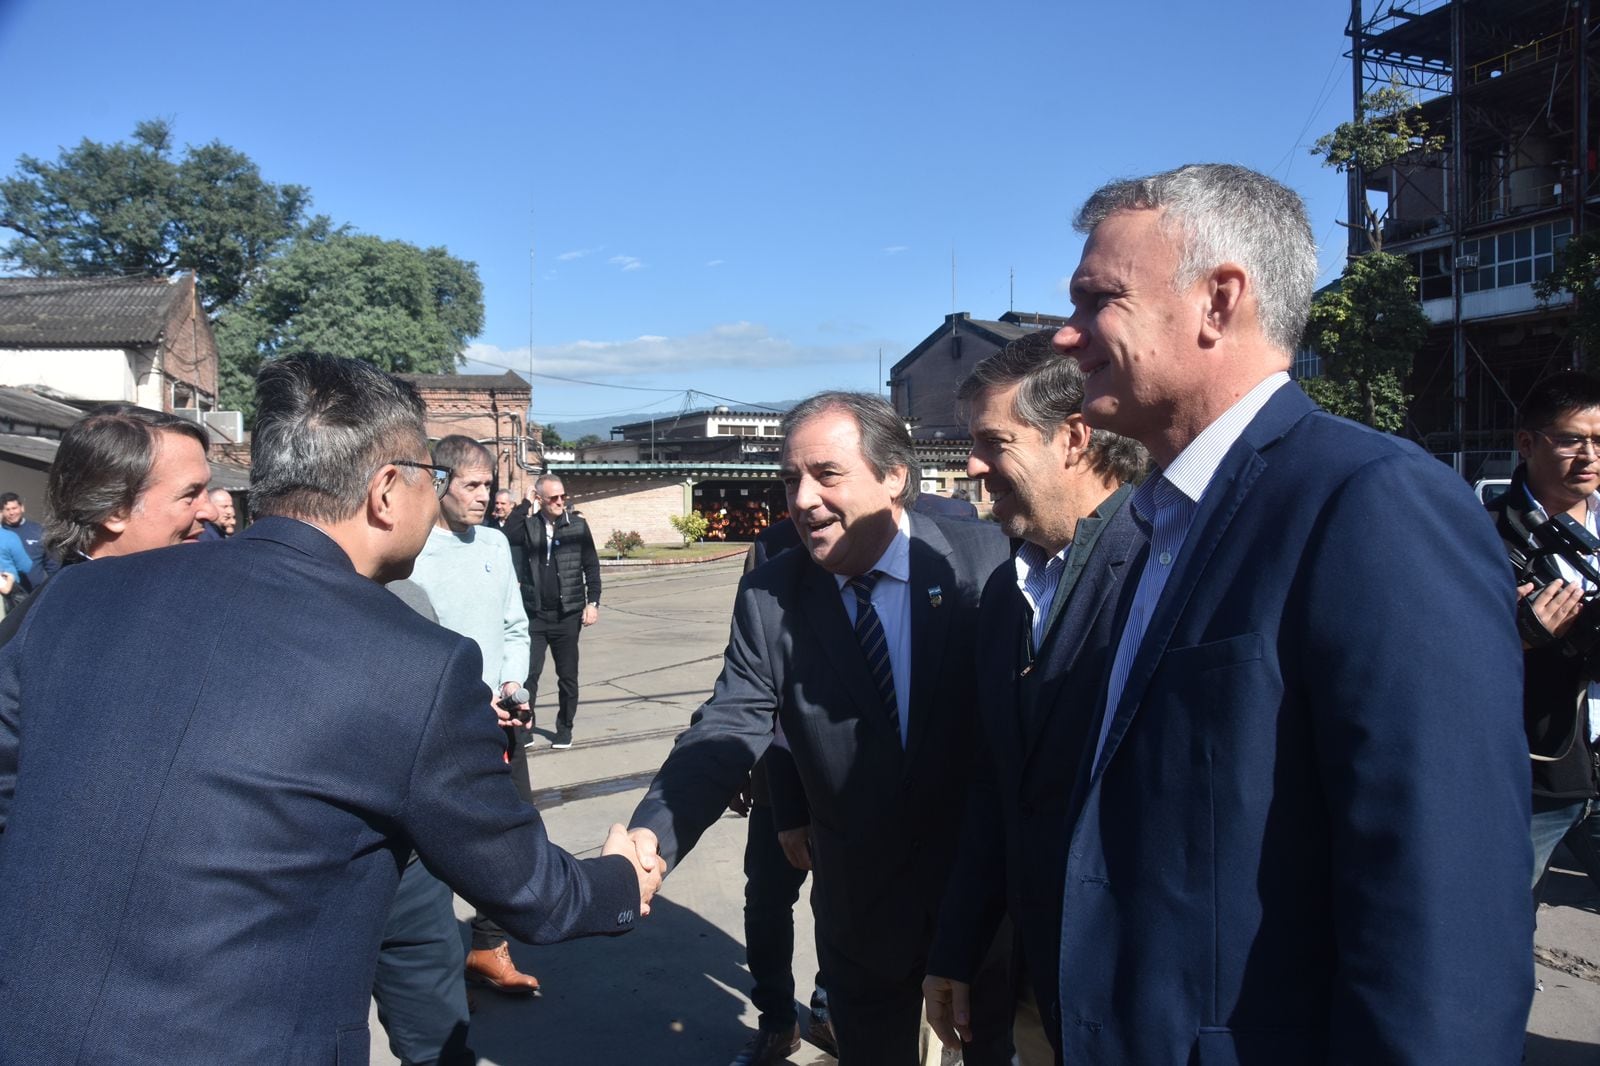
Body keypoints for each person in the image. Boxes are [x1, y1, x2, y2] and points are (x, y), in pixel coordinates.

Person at [0, 354, 658, 1063]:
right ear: (384, 492)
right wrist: (621, 879)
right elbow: (530, 889)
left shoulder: (76, 598)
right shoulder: (417, 665)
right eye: (429, 480)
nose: (434, 499)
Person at [1043, 163, 1531, 1063]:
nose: (1067, 336)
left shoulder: (1371, 503)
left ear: (1218, 300)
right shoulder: (1157, 521)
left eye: (1098, 298)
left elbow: (1442, 906)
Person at [628, 391, 1010, 1065]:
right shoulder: (771, 594)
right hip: (861, 917)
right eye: (789, 478)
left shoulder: (985, 560)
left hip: (983, 904)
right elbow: (727, 723)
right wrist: (648, 838)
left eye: (826, 475)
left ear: (894, 476)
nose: (801, 500)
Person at [923, 332, 1147, 1065]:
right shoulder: (1004, 594)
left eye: (993, 441)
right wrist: (955, 948)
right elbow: (998, 786)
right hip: (1031, 987)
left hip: (1136, 1000)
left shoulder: (1164, 574)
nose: (972, 465)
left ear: (1075, 438)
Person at [408, 435, 544, 1001]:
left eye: (489, 485)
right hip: (438, 725)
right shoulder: (411, 552)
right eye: (472, 485)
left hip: (500, 720)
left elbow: (515, 625)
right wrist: (464, 698)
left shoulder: (492, 544)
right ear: (439, 483)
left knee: (514, 834)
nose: (485, 496)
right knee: (434, 845)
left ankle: (489, 944)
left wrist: (514, 681)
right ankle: (434, 962)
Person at [1487, 370, 1600, 898]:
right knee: (1500, 913)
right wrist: (1520, 636)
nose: (1590, 455)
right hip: (1536, 773)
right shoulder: (1479, 531)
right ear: (1527, 442)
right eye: (1572, 439)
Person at [506, 474, 600, 750]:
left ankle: (565, 728)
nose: (560, 502)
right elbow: (506, 532)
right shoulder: (529, 526)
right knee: (528, 676)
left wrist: (592, 603)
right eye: (553, 498)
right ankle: (525, 728)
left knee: (567, 676)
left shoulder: (578, 526)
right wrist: (525, 502)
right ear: (541, 499)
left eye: (563, 497)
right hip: (534, 615)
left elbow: (591, 567)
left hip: (567, 614)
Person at [0, 491, 58, 581]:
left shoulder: (38, 530)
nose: (11, 513)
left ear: (22, 508)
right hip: (9, 590)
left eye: (14, 508)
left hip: (35, 590)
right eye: (7, 509)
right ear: (2, 512)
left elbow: (52, 564)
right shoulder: (3, 533)